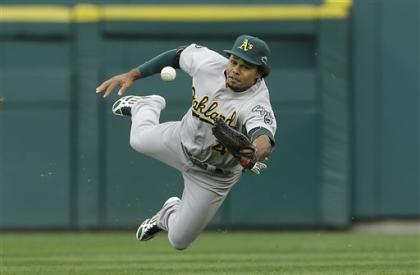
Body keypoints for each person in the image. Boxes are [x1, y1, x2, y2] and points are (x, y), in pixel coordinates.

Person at [96, 34, 277, 250]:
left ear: (259, 74)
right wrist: (132, 75)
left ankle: (167, 213)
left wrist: (255, 152)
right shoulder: (208, 63)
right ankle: (146, 105)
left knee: (179, 241)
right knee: (137, 140)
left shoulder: (256, 103)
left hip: (213, 176)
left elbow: (263, 138)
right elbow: (177, 55)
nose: (236, 69)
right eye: (234, 61)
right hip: (179, 140)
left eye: (246, 67)